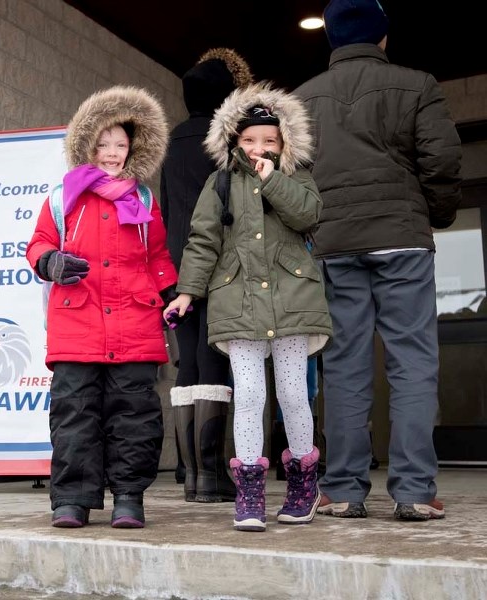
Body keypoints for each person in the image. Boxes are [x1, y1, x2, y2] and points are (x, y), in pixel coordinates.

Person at [293, 0, 462, 520]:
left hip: (335, 242)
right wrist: (432, 211)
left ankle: (343, 489)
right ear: (383, 37)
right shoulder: (417, 85)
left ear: (333, 41)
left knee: (343, 363)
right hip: (402, 240)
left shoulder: (301, 99)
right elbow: (443, 156)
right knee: (412, 361)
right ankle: (413, 490)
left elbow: (292, 174)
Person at [164, 82, 333, 531]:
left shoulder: (295, 175)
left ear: (284, 143)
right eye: (250, 139)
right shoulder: (218, 182)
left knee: (295, 393)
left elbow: (307, 215)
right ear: (234, 142)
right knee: (251, 395)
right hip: (237, 301)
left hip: (292, 299)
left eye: (270, 140)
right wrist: (187, 292)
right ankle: (251, 489)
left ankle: (302, 481)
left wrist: (271, 179)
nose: (260, 147)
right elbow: (202, 240)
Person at [26, 85, 177, 529]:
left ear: (134, 149)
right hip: (78, 322)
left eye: (121, 145)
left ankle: (129, 497)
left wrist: (172, 293)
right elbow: (38, 244)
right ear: (88, 145)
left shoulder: (144, 200)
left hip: (135, 322)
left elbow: (158, 257)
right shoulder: (63, 197)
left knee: (135, 416)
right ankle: (72, 499)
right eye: (104, 144)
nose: (112, 153)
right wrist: (50, 262)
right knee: (75, 414)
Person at [160, 48, 253, 503]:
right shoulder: (223, 143)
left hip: (177, 269)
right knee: (214, 357)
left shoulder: (172, 140)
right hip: (218, 265)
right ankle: (212, 475)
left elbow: (165, 210)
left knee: (188, 363)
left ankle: (191, 473)